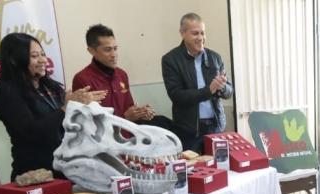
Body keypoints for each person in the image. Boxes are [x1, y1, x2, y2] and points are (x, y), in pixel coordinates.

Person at [0, 33, 106, 181]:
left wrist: (83, 107)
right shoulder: (7, 93)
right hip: (35, 174)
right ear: (14, 60)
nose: (43, 60)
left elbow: (66, 125)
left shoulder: (51, 87)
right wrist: (66, 108)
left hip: (66, 168)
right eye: (34, 56)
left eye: (43, 54)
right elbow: (31, 132)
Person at [161, 13, 233, 152]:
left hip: (216, 127)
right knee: (195, 171)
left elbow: (229, 92)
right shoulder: (170, 60)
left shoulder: (215, 58)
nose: (200, 38)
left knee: (221, 169)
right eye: (195, 33)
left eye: (202, 33)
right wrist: (209, 90)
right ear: (182, 33)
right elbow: (177, 96)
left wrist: (223, 87)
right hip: (188, 131)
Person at [73, 24, 165, 126]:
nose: (114, 54)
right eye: (107, 50)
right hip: (105, 141)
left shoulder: (122, 74)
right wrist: (124, 117)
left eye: (115, 48)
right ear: (91, 51)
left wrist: (140, 112)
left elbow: (129, 108)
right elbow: (87, 124)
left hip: (129, 136)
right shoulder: (82, 79)